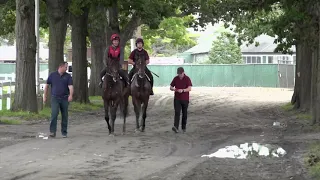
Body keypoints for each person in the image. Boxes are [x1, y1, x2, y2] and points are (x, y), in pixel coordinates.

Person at [43, 62, 73, 138]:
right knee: (54, 114)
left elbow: (70, 86)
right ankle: (52, 131)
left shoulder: (68, 76)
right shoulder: (52, 75)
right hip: (55, 98)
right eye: (65, 67)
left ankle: (64, 132)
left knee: (65, 115)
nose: (66, 69)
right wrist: (45, 96)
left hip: (64, 98)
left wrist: (71, 95)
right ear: (61, 67)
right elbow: (47, 86)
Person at [169, 67, 192, 133]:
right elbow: (171, 87)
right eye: (178, 74)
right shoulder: (175, 78)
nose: (179, 75)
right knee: (177, 112)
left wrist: (183, 90)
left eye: (180, 74)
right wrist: (175, 89)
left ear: (183, 72)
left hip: (185, 99)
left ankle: (183, 127)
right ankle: (176, 127)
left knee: (184, 113)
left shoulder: (187, 79)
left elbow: (189, 88)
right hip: (177, 98)